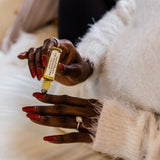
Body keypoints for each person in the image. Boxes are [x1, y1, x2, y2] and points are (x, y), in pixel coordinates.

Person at [16, 0, 160, 160]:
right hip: (92, 69)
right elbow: (129, 10)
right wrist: (87, 60)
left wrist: (131, 134)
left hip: (107, 110)